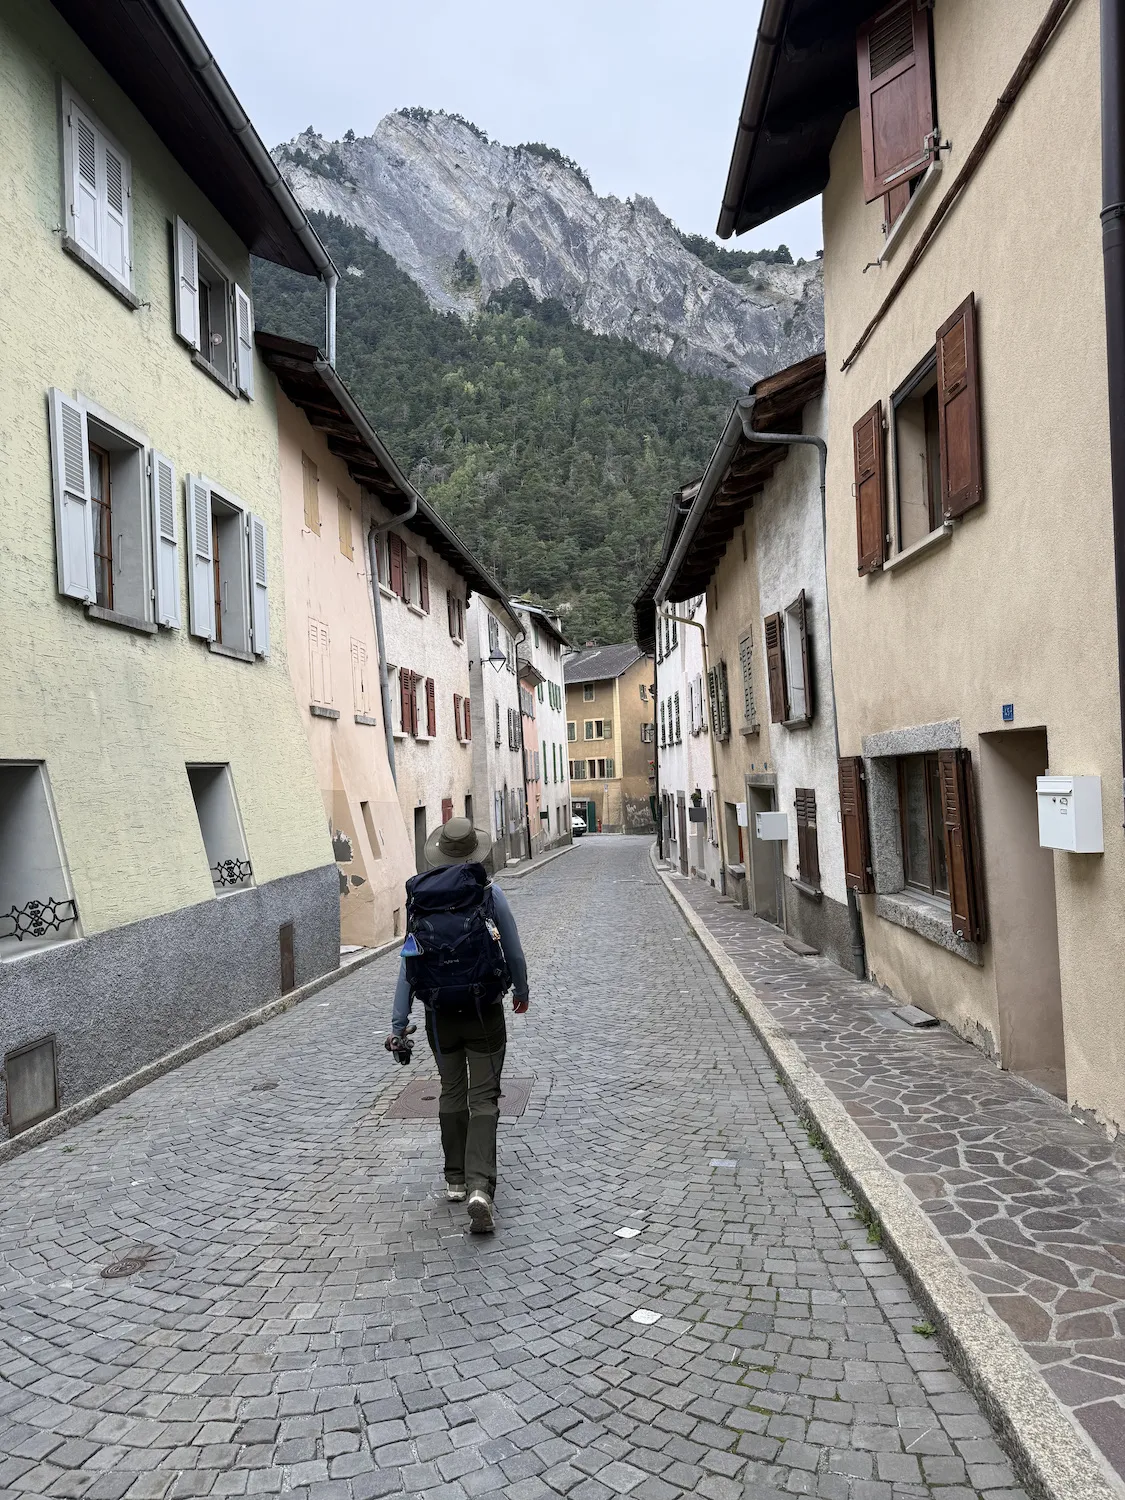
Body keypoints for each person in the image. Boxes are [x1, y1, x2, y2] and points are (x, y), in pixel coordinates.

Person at [387, 818, 529, 1233]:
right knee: (484, 1096)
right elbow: (514, 951)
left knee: (451, 1090)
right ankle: (480, 1187)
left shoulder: (420, 899)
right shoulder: (488, 893)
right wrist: (521, 990)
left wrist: (398, 1023)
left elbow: (407, 967)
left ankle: (454, 1179)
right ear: (475, 851)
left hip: (438, 1016)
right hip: (484, 1009)